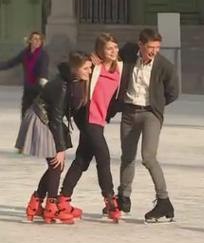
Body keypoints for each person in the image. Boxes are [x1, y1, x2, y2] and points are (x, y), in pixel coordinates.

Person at [110, 28, 179, 222]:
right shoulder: (130, 53)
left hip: (150, 114)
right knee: (127, 156)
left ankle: (164, 201)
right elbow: (112, 56)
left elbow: (174, 92)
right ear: (140, 44)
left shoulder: (165, 66)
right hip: (129, 112)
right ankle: (123, 197)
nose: (154, 51)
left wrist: (157, 104)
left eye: (157, 47)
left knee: (148, 157)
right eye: (150, 47)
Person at [15, 51, 92, 224]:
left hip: (48, 120)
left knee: (55, 166)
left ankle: (36, 204)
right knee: (56, 164)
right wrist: (60, 149)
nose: (90, 70)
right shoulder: (62, 85)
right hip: (41, 120)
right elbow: (56, 118)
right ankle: (52, 207)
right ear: (75, 68)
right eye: (86, 68)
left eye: (90, 67)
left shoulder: (74, 81)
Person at [59, 33, 123, 223]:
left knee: (82, 159)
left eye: (115, 47)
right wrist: (90, 58)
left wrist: (111, 113)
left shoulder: (120, 68)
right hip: (87, 118)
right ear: (100, 51)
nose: (114, 51)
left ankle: (63, 199)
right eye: (109, 48)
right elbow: (66, 69)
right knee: (103, 156)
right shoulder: (93, 66)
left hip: (100, 119)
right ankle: (110, 199)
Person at [0, 32, 49, 118]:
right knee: (25, 114)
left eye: (40, 39)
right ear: (30, 40)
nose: (38, 41)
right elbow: (11, 63)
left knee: (39, 116)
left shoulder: (43, 55)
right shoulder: (25, 53)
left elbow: (44, 69)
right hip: (28, 88)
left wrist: (43, 80)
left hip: (39, 89)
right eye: (35, 39)